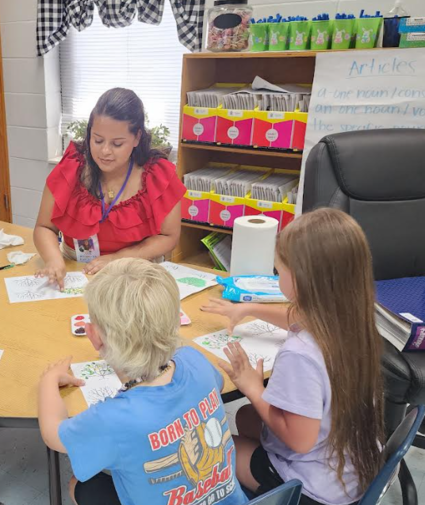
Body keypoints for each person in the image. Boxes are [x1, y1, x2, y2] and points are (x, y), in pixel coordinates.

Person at [201, 209, 384, 505]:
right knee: (246, 416)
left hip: (314, 487)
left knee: (217, 447)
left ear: (298, 280)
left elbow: (300, 440)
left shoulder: (300, 355)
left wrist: (253, 387)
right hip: (353, 466)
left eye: (278, 271)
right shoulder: (355, 317)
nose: (275, 276)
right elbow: (300, 317)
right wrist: (248, 309)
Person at [39, 258, 246, 505]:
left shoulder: (112, 418)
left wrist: (48, 381)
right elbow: (217, 384)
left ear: (94, 336)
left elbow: (54, 436)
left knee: (79, 485)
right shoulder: (193, 359)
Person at [34, 88, 186, 288]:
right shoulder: (72, 167)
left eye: (117, 144)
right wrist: (53, 259)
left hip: (133, 275)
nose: (105, 151)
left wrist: (118, 258)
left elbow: (169, 236)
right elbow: (44, 227)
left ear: (137, 137)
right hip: (76, 272)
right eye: (97, 140)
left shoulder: (157, 175)